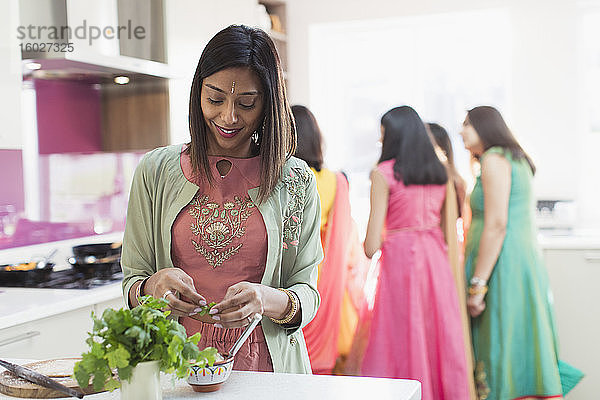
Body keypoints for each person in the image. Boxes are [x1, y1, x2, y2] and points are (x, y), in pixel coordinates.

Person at [120, 25, 323, 374]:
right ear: (197, 93)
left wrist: (267, 300)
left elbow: (308, 293)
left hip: (267, 368)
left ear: (268, 104)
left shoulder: (296, 179)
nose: (229, 117)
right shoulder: (155, 172)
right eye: (215, 99)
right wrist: (151, 286)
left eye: (246, 104)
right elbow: (132, 281)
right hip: (173, 367)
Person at [460, 106, 583, 399]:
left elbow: (497, 224)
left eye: (466, 124)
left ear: (485, 126)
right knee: (517, 337)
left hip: (501, 265)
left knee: (501, 339)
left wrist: (478, 285)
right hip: (514, 261)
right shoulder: (512, 159)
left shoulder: (495, 158)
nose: (461, 131)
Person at [360, 106, 471, 399]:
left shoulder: (383, 174)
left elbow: (371, 245)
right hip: (436, 261)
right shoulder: (441, 174)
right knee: (438, 334)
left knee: (403, 336)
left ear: (392, 137)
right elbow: (451, 233)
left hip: (401, 263)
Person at [291, 105, 367, 374]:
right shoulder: (334, 181)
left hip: (291, 266)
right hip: (326, 267)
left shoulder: (287, 177)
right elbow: (344, 236)